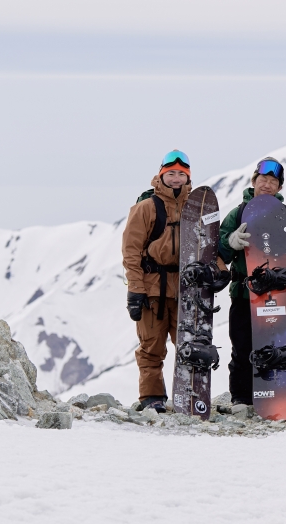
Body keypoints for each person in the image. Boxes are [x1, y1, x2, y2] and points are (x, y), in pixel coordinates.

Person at [217, 158, 286, 406]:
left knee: (274, 346)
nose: (267, 185)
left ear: (279, 187)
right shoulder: (238, 213)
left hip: (275, 294)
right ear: (253, 182)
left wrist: (283, 243)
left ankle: (273, 396)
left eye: (273, 181)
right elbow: (221, 253)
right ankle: (242, 398)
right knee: (242, 347)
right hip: (244, 293)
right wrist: (230, 241)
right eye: (263, 180)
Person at [121, 149, 193, 412]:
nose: (176, 179)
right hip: (153, 288)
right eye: (171, 174)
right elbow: (131, 252)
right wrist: (135, 290)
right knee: (152, 346)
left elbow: (208, 245)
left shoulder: (196, 206)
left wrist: (219, 271)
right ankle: (152, 398)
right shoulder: (145, 208)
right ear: (161, 175)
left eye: (181, 174)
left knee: (189, 345)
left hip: (187, 288)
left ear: (187, 177)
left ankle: (191, 397)